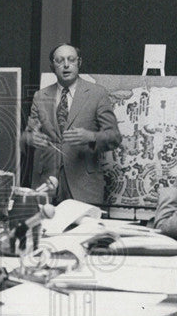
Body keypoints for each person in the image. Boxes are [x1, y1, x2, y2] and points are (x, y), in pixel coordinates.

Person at [22, 44, 121, 205]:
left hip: (84, 185)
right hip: (46, 184)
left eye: (71, 60)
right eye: (60, 61)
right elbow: (28, 133)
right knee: (46, 230)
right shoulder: (40, 96)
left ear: (79, 63)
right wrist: (31, 138)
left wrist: (91, 137)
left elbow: (114, 137)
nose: (66, 65)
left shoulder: (97, 94)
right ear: (52, 66)